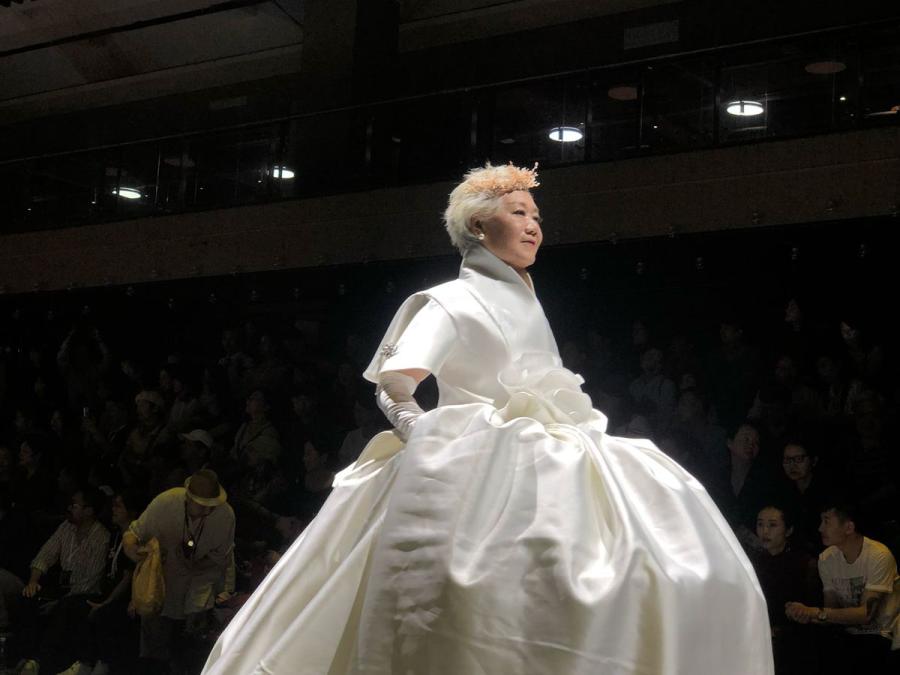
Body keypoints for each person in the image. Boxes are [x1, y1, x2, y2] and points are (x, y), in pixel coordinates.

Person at [201, 163, 773, 674]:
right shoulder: (450, 300)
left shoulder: (527, 297)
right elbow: (397, 384)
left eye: (537, 215)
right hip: (475, 456)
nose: (533, 225)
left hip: (556, 448)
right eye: (518, 212)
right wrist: (429, 436)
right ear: (478, 228)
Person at [124, 469, 235, 673]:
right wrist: (137, 552)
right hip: (161, 588)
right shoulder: (166, 503)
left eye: (210, 506)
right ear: (188, 498)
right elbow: (132, 535)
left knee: (187, 658)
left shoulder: (225, 515)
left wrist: (195, 565)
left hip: (198, 591)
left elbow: (221, 559)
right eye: (201, 505)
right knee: (154, 657)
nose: (206, 511)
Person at [785, 502, 900, 674]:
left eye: (826, 521)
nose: (820, 528)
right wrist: (804, 614)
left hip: (883, 633)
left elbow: (866, 614)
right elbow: (830, 611)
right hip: (849, 633)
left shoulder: (878, 555)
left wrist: (814, 613)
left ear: (848, 527)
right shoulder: (827, 558)